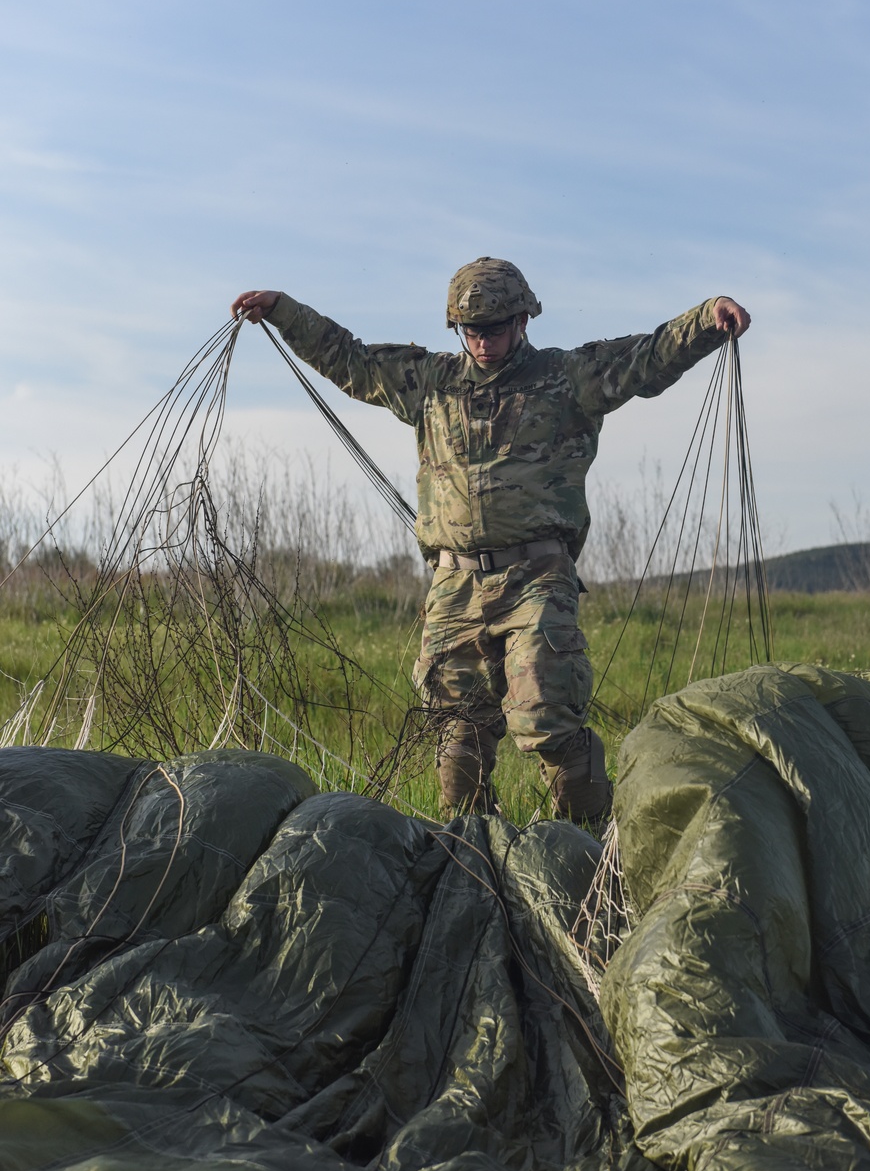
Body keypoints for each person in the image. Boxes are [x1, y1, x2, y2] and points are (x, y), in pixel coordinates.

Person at [232, 259, 750, 830]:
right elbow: (349, 357)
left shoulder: (567, 377)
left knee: (546, 720)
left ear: (524, 320)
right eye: (470, 330)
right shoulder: (431, 381)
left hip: (536, 577)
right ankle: (474, 859)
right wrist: (283, 311)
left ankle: (593, 853)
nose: (482, 341)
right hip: (454, 584)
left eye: (495, 328)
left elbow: (647, 357)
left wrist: (706, 319)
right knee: (457, 733)